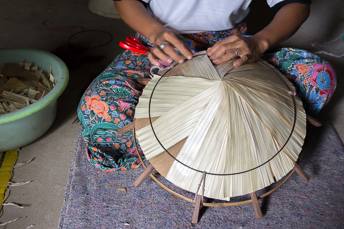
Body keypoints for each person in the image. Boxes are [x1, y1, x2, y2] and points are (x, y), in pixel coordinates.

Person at [77, 0, 337, 172]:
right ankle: (197, 143)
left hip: (229, 45)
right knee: (99, 108)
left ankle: (210, 134)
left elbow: (296, 5)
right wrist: (155, 33)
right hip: (161, 38)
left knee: (317, 77)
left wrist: (259, 42)